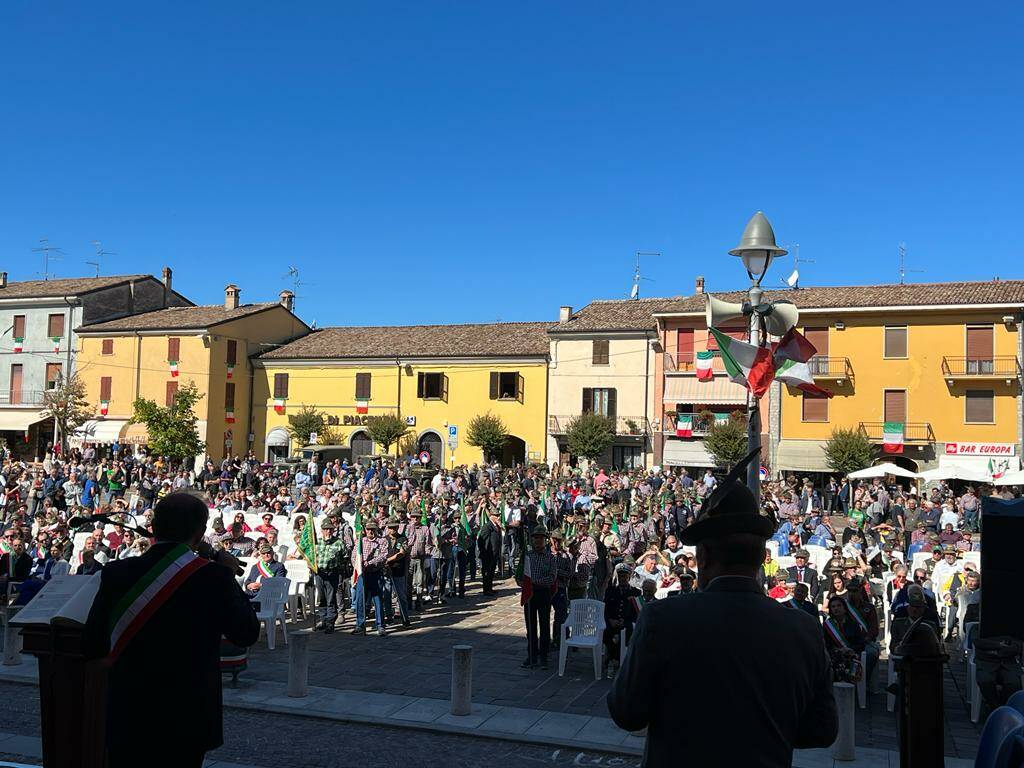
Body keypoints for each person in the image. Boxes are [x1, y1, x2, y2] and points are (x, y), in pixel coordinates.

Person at [608, 450, 837, 767]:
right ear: (760, 559)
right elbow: (822, 731)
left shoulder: (663, 618)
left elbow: (626, 712)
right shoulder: (803, 628)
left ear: (701, 558)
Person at [83, 492, 259, 768]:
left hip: (129, 709)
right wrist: (227, 573)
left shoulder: (117, 572)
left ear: (152, 527)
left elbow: (93, 643)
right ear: (200, 533)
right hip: (187, 713)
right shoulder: (213, 577)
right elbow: (247, 633)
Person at [518, 525, 557, 670]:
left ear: (545, 540)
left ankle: (544, 656)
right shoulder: (527, 556)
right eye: (535, 538)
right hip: (530, 594)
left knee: (545, 625)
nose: (538, 540)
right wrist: (525, 583)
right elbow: (521, 575)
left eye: (541, 538)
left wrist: (536, 583)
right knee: (530, 626)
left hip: (543, 593)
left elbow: (552, 578)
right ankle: (532, 655)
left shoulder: (550, 557)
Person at [313, 518, 347, 633]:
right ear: (322, 530)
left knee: (330, 599)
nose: (328, 531)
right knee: (321, 598)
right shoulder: (316, 542)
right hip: (319, 573)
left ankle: (330, 622)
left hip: (332, 573)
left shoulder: (339, 542)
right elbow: (311, 557)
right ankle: (322, 620)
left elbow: (345, 557)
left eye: (330, 529)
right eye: (326, 529)